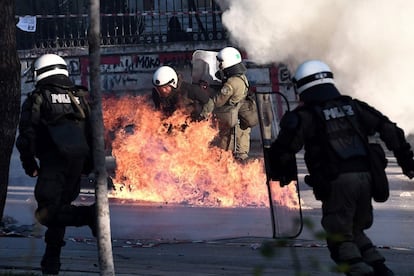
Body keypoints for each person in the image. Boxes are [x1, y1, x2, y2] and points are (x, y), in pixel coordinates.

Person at [268, 60, 414, 276]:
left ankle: (363, 272)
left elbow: (284, 148)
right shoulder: (354, 106)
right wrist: (407, 163)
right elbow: (389, 128)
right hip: (367, 179)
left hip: (337, 182)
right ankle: (381, 269)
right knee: (354, 230)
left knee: (338, 239)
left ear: (302, 86)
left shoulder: (306, 115)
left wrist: (280, 173)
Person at [16, 53, 96, 275]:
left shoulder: (38, 98)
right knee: (60, 208)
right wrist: (88, 165)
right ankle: (51, 262)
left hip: (53, 161)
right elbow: (93, 133)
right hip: (77, 164)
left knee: (46, 212)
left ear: (40, 72)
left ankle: (90, 216)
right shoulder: (80, 97)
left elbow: (26, 134)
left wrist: (28, 162)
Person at [212, 46, 252, 161]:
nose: (219, 65)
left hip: (232, 128)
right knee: (241, 157)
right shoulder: (242, 78)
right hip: (241, 124)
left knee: (228, 158)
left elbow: (218, 101)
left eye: (221, 62)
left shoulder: (230, 83)